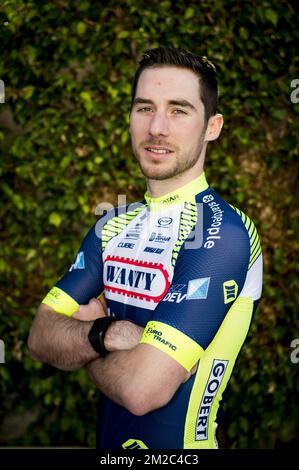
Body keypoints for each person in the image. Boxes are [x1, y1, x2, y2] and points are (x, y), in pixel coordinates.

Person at [28, 46, 263, 449]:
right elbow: (39, 336)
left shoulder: (222, 232)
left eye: (179, 110)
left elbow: (142, 391)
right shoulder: (113, 222)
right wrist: (108, 333)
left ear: (212, 126)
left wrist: (83, 341)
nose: (157, 127)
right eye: (144, 108)